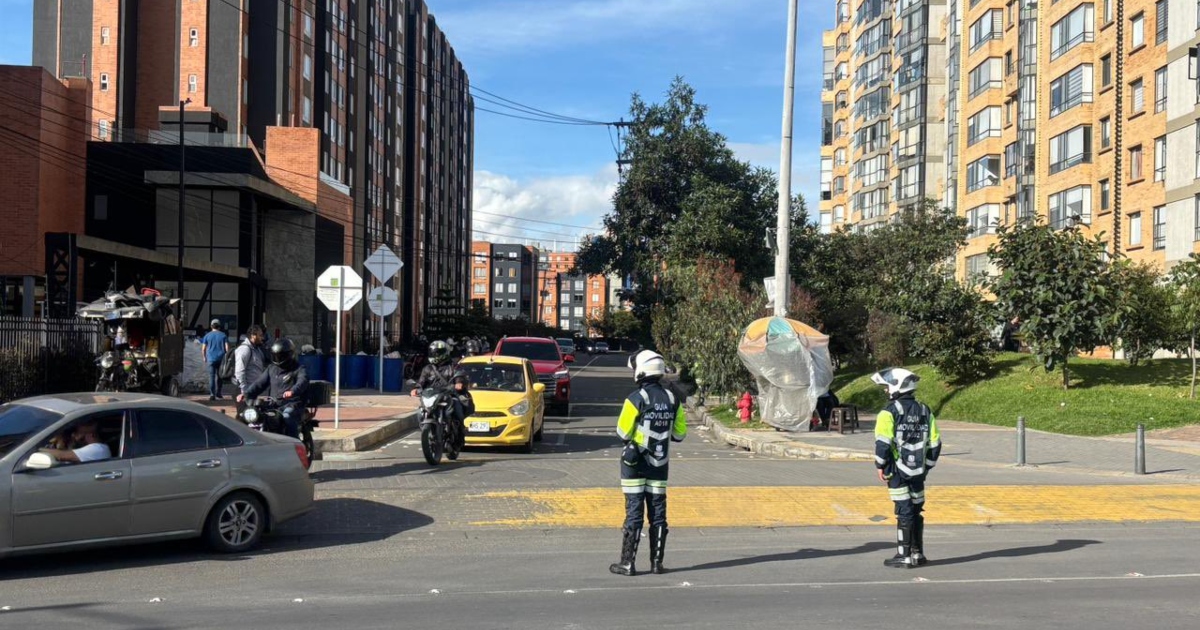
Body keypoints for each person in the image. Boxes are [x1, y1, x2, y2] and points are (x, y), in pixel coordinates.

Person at [609, 351, 687, 576]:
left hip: (634, 464)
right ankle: (656, 563)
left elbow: (622, 432)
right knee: (658, 513)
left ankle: (627, 563)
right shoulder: (673, 400)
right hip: (660, 464)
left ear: (641, 370)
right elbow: (680, 435)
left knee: (634, 511)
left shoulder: (636, 398)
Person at [872, 367, 941, 569]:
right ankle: (917, 553)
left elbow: (883, 443)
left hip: (897, 470)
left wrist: (880, 465)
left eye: (887, 386)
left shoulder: (888, 412)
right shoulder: (925, 410)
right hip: (919, 472)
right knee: (916, 510)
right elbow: (935, 444)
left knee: (904, 511)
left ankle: (903, 555)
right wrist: (926, 467)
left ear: (897, 386)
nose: (886, 391)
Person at [238, 339, 309, 439]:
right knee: (249, 417)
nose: (278, 358)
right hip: (274, 405)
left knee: (287, 416)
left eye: (281, 356)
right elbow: (259, 384)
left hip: (293, 404)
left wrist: (292, 391)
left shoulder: (299, 369)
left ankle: (295, 444)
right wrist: (246, 394)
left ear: (289, 354)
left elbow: (302, 382)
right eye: (276, 356)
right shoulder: (272, 369)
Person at [410, 340, 469, 450]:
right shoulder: (428, 368)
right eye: (432, 353)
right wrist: (416, 389)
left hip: (449, 395)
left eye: (437, 353)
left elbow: (460, 376)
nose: (434, 355)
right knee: (420, 411)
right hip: (433, 396)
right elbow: (421, 382)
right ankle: (428, 431)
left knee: (457, 409)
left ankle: (459, 436)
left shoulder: (454, 366)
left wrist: (459, 383)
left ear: (444, 353)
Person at [40, 421, 111, 464]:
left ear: (91, 435)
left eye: (78, 433)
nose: (74, 436)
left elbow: (61, 455)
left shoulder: (98, 449)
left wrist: (36, 448)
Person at [233, 324, 267, 400]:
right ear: (253, 336)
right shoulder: (245, 349)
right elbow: (239, 371)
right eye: (260, 335)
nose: (262, 338)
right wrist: (244, 391)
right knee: (245, 412)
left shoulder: (257, 349)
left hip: (252, 390)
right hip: (243, 391)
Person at [200, 319, 230, 400]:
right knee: (220, 377)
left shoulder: (207, 336)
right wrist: (227, 358)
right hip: (221, 359)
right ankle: (219, 393)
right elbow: (227, 348)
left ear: (211, 326)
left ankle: (212, 394)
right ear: (219, 326)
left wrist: (204, 357)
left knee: (211, 377)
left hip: (211, 359)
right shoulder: (223, 335)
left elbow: (203, 348)